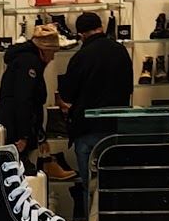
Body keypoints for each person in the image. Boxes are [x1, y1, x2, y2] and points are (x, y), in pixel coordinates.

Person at [55, 10, 133, 205]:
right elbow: (128, 87)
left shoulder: (81, 57)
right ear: (101, 27)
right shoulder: (121, 51)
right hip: (116, 127)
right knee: (115, 185)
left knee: (91, 188)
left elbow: (68, 94)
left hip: (87, 128)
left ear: (81, 35)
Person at [0, 22, 59, 163]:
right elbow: (24, 100)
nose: (53, 58)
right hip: (16, 127)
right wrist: (23, 136)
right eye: (52, 52)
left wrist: (39, 135)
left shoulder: (24, 60)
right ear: (43, 50)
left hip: (15, 123)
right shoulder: (29, 63)